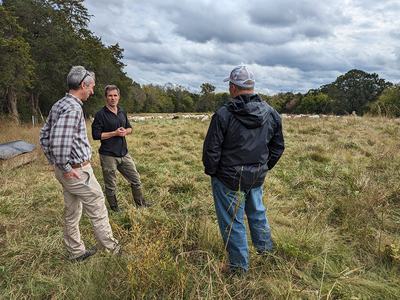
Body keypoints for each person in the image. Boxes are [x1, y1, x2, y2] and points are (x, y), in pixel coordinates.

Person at [202, 65, 285, 273]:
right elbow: (278, 147)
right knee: (257, 214)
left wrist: (214, 174)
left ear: (232, 87)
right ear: (251, 87)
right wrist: (263, 168)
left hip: (228, 179)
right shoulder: (271, 113)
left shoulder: (223, 115)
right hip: (256, 177)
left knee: (233, 222)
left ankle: (239, 268)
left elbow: (211, 151)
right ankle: (266, 253)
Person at [40, 66, 120, 262]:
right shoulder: (73, 108)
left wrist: (57, 164)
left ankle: (76, 252)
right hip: (76, 171)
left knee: (72, 210)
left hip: (68, 170)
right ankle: (112, 250)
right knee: (98, 204)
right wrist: (66, 167)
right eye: (91, 87)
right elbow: (59, 142)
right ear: (83, 85)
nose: (92, 91)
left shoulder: (59, 104)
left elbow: (44, 135)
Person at [91, 84, 151, 212]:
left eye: (115, 95)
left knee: (136, 179)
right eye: (110, 96)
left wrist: (125, 132)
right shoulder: (100, 114)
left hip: (124, 153)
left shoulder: (122, 111)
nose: (113, 98)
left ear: (119, 97)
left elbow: (130, 128)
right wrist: (114, 133)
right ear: (106, 97)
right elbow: (96, 135)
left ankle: (140, 204)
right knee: (111, 185)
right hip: (108, 155)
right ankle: (114, 209)